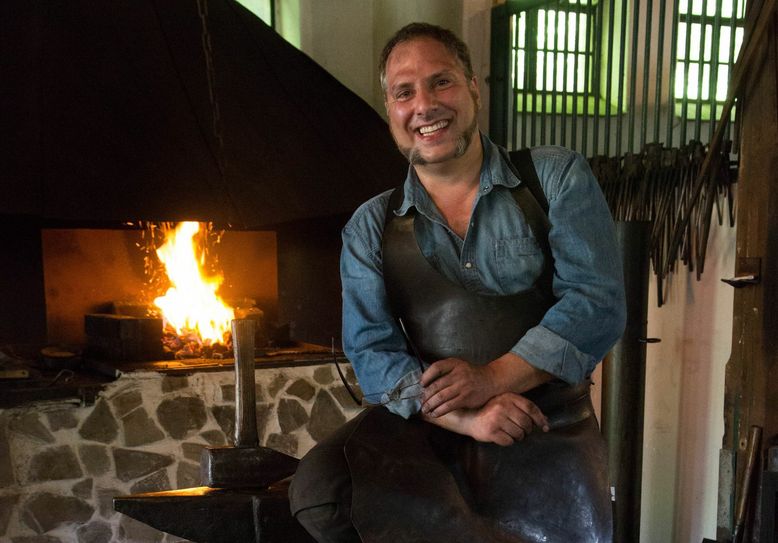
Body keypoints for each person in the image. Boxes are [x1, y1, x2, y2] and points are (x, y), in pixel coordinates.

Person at [289, 22, 626, 543]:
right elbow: (372, 350)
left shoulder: (555, 178)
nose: (424, 105)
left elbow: (596, 302)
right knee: (320, 489)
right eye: (405, 92)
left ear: (473, 86)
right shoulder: (369, 226)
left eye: (440, 82)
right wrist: (468, 416)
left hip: (544, 418)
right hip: (432, 426)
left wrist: (494, 378)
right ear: (391, 112)